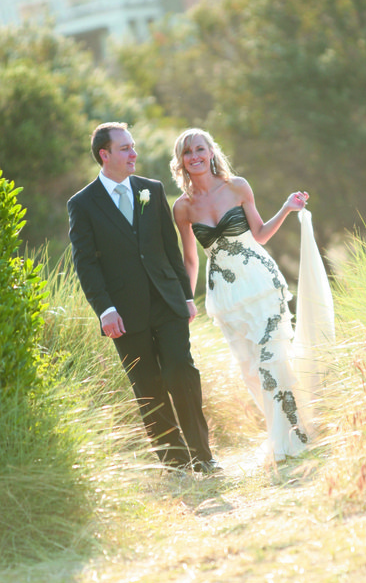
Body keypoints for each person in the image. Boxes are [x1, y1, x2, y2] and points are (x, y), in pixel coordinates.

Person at [67, 122, 221, 475]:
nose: (134, 153)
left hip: (167, 301)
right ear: (104, 155)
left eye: (133, 146)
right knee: (148, 387)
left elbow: (170, 247)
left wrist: (185, 295)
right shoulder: (82, 204)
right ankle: (176, 464)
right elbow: (85, 263)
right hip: (122, 313)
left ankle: (203, 456)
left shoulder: (151, 189)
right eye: (125, 148)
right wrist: (105, 309)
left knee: (182, 371)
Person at [171, 128, 310, 463]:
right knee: (250, 368)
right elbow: (191, 259)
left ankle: (296, 435)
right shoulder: (183, 208)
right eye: (188, 153)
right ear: (181, 162)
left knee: (272, 358)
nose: (195, 157)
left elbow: (260, 235)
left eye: (200, 149)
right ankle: (280, 432)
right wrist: (188, 298)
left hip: (260, 283)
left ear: (211, 151)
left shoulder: (238, 187)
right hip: (225, 294)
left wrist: (286, 208)